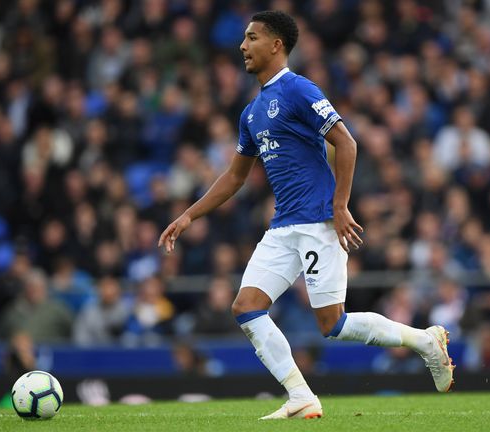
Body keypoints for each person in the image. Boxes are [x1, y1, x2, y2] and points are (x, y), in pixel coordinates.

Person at [159, 11, 453, 420]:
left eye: (252, 38)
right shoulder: (251, 112)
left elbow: (346, 143)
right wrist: (189, 216)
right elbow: (234, 177)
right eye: (244, 38)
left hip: (318, 221)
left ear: (276, 45)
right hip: (283, 226)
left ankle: (424, 341)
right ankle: (300, 395)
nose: (243, 46)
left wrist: (340, 205)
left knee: (332, 324)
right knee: (246, 306)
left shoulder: (298, 89)